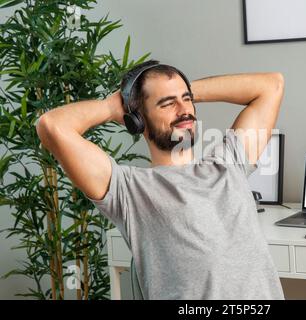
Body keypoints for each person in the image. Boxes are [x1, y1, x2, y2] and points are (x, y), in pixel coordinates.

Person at [36, 59, 285, 299]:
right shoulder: (129, 190)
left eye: (187, 100)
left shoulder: (229, 161)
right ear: (138, 119)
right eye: (167, 104)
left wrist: (181, 90)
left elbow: (271, 85)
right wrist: (115, 106)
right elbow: (52, 126)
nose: (184, 110)